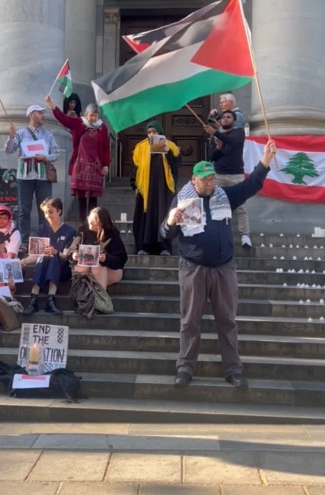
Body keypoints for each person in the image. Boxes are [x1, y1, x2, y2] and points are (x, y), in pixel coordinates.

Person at [160, 139, 277, 389]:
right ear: (194, 180)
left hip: (224, 268)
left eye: (212, 178)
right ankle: (185, 367)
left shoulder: (224, 196)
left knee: (227, 320)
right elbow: (165, 235)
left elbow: (250, 186)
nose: (211, 183)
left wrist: (265, 162)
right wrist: (171, 221)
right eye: (206, 180)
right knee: (190, 321)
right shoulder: (182, 200)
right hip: (193, 268)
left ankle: (233, 370)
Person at [45, 95, 110, 223]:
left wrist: (106, 164)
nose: (93, 118)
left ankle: (93, 224)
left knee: (93, 200)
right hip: (80, 167)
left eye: (96, 116)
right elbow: (63, 119)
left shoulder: (102, 128)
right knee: (81, 198)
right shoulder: (78, 123)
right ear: (86, 114)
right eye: (91, 115)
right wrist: (52, 105)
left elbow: (106, 148)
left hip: (95, 169)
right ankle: (82, 225)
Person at [5, 104, 60, 252]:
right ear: (31, 115)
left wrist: (45, 156)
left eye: (43, 113)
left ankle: (44, 240)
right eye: (40, 113)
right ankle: (23, 242)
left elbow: (56, 152)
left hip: (43, 177)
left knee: (46, 210)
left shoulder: (48, 135)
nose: (43, 115)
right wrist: (10, 137)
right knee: (24, 210)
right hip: (24, 176)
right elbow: (9, 150)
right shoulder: (21, 133)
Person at [131, 121, 180, 256]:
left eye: (154, 132)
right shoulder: (141, 147)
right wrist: (135, 185)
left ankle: (164, 247)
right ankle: (143, 247)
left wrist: (166, 151)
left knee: (163, 217)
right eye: (149, 132)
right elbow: (135, 169)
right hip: (144, 190)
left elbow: (175, 167)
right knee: (144, 219)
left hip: (163, 190)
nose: (152, 134)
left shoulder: (170, 146)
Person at [205, 110, 252, 248]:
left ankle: (245, 235)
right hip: (219, 175)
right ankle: (216, 233)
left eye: (228, 117)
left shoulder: (238, 133)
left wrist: (216, 132)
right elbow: (211, 157)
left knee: (241, 207)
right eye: (223, 117)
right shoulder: (216, 137)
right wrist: (218, 148)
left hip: (236, 175)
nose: (225, 119)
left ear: (234, 120)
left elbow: (232, 142)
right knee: (215, 205)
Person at [24, 197, 76, 316]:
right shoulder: (41, 229)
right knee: (43, 257)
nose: (48, 216)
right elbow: (35, 254)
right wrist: (24, 261)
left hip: (62, 269)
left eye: (51, 212)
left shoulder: (69, 231)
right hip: (43, 265)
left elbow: (66, 256)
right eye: (46, 213)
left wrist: (56, 252)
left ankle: (50, 299)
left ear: (59, 211)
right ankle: (34, 299)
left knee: (53, 257)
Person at [72, 206, 127, 291]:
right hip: (87, 270)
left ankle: (100, 300)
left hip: (109, 270)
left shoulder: (112, 234)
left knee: (98, 266)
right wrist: (73, 255)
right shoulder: (83, 230)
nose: (89, 221)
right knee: (81, 267)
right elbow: (70, 251)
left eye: (93, 220)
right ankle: (83, 299)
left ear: (101, 223)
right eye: (89, 218)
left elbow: (121, 260)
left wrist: (106, 259)